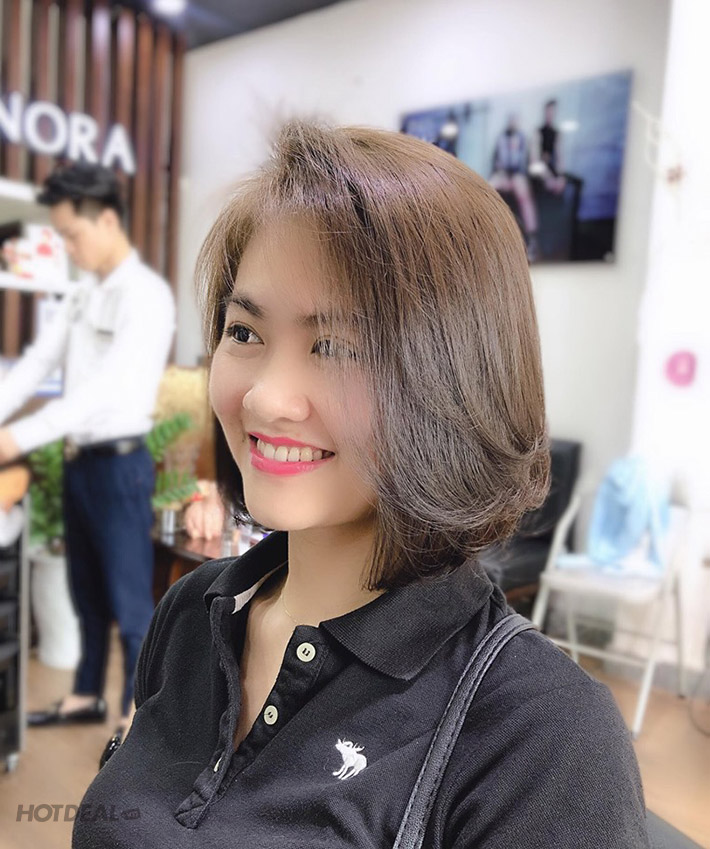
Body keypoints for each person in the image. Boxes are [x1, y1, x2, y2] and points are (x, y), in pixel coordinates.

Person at [72, 123, 649, 848]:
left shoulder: (542, 738)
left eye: (337, 346)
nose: (265, 398)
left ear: (458, 381)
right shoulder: (195, 611)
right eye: (244, 332)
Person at [0, 163, 175, 740]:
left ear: (107, 221)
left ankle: (134, 718)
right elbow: (34, 367)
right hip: (79, 464)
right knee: (86, 595)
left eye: (72, 235)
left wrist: (16, 438)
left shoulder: (146, 297)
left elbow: (107, 389)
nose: (68, 249)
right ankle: (85, 695)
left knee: (129, 602)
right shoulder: (81, 294)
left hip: (121, 467)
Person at [489, 113, 540, 262]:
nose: (513, 123)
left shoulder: (523, 139)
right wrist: (501, 174)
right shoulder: (500, 138)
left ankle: (531, 238)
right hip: (502, 174)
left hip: (518, 175)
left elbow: (528, 162)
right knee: (487, 189)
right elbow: (496, 160)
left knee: (524, 196)